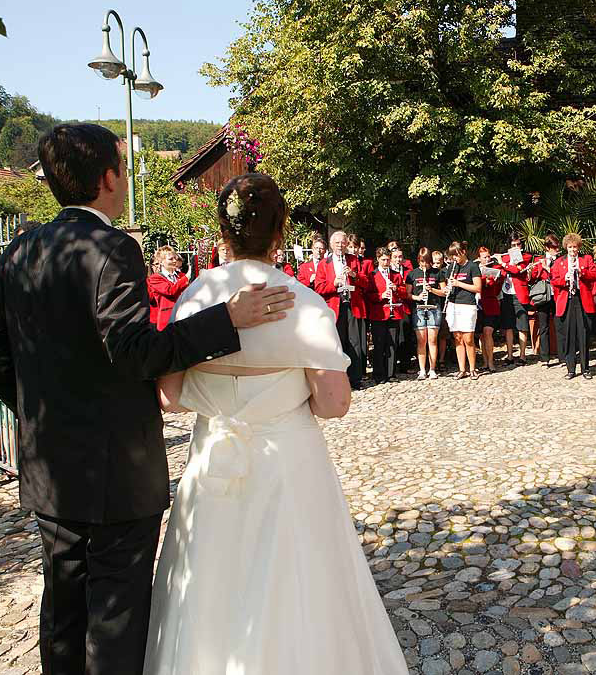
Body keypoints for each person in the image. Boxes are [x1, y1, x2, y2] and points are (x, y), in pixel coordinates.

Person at [0, 124, 293, 674]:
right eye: (123, 165)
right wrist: (225, 320)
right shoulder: (112, 247)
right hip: (114, 465)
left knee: (63, 606)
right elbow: (135, 351)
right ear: (109, 177)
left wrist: (35, 404)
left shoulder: (22, 247)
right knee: (115, 613)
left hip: (49, 462)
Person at [146, 174, 409, 675]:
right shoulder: (304, 302)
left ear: (221, 230)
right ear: (280, 231)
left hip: (212, 462)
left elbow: (170, 397)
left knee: (210, 580)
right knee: (301, 576)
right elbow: (334, 404)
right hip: (289, 460)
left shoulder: (196, 297)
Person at [314, 230, 369, 389]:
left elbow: (366, 282)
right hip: (335, 307)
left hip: (352, 305)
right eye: (337, 243)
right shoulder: (325, 263)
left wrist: (354, 274)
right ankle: (338, 379)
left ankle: (355, 379)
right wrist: (334, 283)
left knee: (355, 342)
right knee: (337, 343)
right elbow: (318, 287)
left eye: (343, 243)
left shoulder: (354, 260)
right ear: (331, 245)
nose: (340, 245)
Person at [550, 234, 596, 380]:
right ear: (566, 247)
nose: (572, 250)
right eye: (570, 247)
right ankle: (571, 368)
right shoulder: (559, 262)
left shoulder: (586, 259)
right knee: (569, 335)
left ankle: (586, 368)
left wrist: (582, 272)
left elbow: (595, 275)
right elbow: (553, 280)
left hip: (582, 300)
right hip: (567, 300)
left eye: (575, 247)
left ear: (579, 247)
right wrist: (564, 279)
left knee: (583, 335)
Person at [365, 246, 407, 384]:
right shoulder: (372, 275)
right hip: (379, 314)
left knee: (392, 344)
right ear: (377, 259)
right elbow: (368, 295)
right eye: (383, 260)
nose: (385, 262)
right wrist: (381, 295)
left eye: (388, 260)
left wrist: (396, 289)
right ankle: (379, 375)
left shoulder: (395, 274)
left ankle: (391, 373)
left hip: (393, 312)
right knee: (379, 345)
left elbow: (403, 292)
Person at [441, 241, 482, 379]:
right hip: (453, 304)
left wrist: (459, 283)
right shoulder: (452, 267)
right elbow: (447, 285)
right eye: (452, 256)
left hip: (467, 305)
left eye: (456, 255)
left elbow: (477, 288)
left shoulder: (473, 267)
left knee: (468, 338)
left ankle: (472, 369)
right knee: (457, 338)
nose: (455, 259)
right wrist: (447, 288)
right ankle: (462, 369)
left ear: (463, 252)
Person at [493, 235, 532, 365]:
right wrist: (500, 262)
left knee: (522, 326)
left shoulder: (525, 256)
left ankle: (522, 356)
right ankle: (509, 356)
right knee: (508, 326)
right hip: (506, 294)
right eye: (513, 245)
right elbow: (498, 271)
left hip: (519, 294)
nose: (516, 247)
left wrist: (504, 264)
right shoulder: (504, 257)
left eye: (518, 244)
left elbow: (517, 270)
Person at [406, 247, 443, 379]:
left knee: (432, 340)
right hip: (419, 309)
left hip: (434, 308)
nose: (424, 265)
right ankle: (422, 369)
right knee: (421, 341)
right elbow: (408, 295)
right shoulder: (412, 274)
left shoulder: (437, 273)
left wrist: (432, 290)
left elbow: (444, 292)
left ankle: (432, 369)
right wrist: (418, 297)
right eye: (421, 262)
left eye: (426, 262)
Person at [530, 234, 561, 365]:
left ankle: (563, 355)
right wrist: (534, 269)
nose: (556, 249)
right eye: (554, 247)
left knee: (559, 325)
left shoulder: (560, 260)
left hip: (557, 295)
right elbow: (532, 278)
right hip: (543, 295)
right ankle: (544, 357)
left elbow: (560, 275)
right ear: (547, 248)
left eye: (557, 247)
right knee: (543, 326)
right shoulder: (539, 259)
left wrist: (548, 268)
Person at [147, 246, 190, 331]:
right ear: (161, 262)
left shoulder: (180, 276)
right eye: (171, 259)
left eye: (175, 258)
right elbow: (170, 291)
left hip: (183, 317)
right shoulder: (155, 278)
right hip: (167, 321)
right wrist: (187, 277)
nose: (174, 261)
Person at [476, 247, 504, 373]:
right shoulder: (475, 269)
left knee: (488, 332)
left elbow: (496, 286)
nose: (487, 259)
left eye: (488, 256)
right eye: (484, 257)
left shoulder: (495, 269)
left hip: (490, 304)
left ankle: (491, 362)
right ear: (479, 259)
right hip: (478, 305)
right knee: (481, 335)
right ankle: (485, 361)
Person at [431, 249, 451, 372]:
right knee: (432, 336)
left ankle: (442, 359)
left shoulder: (445, 272)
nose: (436, 265)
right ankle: (432, 360)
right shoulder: (429, 273)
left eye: (439, 262)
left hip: (443, 305)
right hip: (432, 305)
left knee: (443, 335)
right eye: (434, 263)